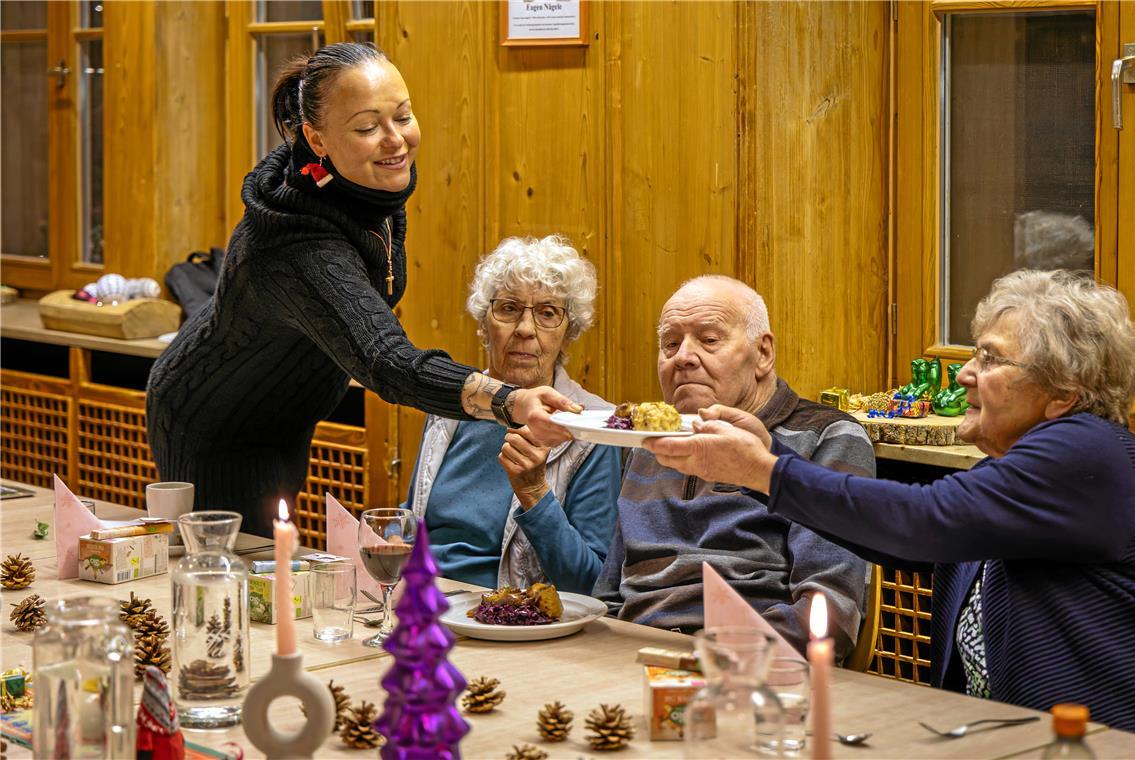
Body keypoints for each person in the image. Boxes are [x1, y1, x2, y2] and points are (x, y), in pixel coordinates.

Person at [646, 269, 1135, 731]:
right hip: (1005, 738)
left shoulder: (1091, 451)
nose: (964, 373)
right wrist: (768, 454)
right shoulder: (1015, 475)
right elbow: (909, 542)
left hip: (1091, 744)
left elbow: (923, 522)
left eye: (990, 359)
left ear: (1063, 393)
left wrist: (763, 469)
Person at [146, 43, 574, 537]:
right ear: (316, 138)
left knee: (269, 559)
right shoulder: (293, 243)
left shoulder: (362, 181)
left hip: (284, 402)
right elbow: (384, 360)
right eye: (368, 128)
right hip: (218, 419)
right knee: (233, 570)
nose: (396, 141)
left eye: (403, 116)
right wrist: (508, 399)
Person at [593, 275, 874, 656]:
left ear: (763, 354)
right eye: (670, 344)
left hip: (755, 670)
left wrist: (711, 659)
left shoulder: (827, 437)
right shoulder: (647, 444)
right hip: (634, 657)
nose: (684, 357)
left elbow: (829, 611)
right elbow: (609, 595)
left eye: (709, 340)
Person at [403, 236, 621, 594]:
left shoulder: (591, 427)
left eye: (548, 313)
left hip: (508, 620)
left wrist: (535, 493)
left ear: (568, 335)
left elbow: (591, 583)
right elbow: (415, 517)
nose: (524, 328)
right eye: (508, 308)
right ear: (483, 325)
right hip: (420, 605)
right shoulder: (451, 406)